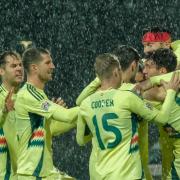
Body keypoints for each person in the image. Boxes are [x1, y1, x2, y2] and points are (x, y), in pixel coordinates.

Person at [76, 52, 179, 180]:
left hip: (98, 174)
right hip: (127, 172)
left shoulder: (86, 103)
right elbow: (162, 117)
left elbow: (80, 140)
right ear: (115, 72)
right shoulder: (129, 96)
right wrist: (171, 92)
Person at [14, 48, 78, 180]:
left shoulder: (38, 94)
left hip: (44, 172)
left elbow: (50, 130)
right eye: (48, 63)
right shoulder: (28, 95)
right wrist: (92, 103)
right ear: (34, 68)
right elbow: (67, 115)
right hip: (33, 173)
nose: (53, 66)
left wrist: (79, 119)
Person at [0, 51, 24, 180]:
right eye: (14, 66)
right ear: (1, 71)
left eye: (20, 65)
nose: (19, 69)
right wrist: (4, 112)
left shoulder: (25, 98)